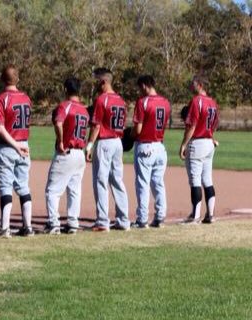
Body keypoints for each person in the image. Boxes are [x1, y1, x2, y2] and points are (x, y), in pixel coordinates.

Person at [0, 66, 34, 238]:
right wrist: (20, 146)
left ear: (2, 79)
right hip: (24, 144)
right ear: (18, 79)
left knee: (5, 186)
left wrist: (15, 145)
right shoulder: (26, 98)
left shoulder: (1, 98)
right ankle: (28, 226)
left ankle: (5, 227)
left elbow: (0, 128)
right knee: (23, 185)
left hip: (8, 146)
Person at [85, 68, 130, 232]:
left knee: (101, 181)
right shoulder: (121, 100)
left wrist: (89, 145)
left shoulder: (101, 99)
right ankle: (123, 219)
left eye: (97, 81)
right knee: (117, 180)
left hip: (104, 142)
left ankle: (103, 221)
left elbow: (96, 125)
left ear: (104, 82)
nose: (96, 84)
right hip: (118, 142)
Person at [44, 77, 90, 235]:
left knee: (52, 191)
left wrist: (60, 140)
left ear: (65, 90)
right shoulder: (84, 110)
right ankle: (72, 223)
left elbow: (58, 122)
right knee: (74, 190)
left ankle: (54, 223)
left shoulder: (65, 106)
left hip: (67, 152)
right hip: (80, 154)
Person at [132, 75, 172, 228]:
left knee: (143, 183)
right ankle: (160, 216)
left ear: (144, 85)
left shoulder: (143, 102)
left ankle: (142, 219)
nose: (139, 91)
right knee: (158, 182)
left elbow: (139, 128)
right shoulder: (166, 102)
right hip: (160, 147)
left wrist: (130, 135)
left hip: (145, 146)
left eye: (139, 87)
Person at [180, 75, 220, 224]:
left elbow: (192, 126)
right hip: (209, 143)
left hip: (197, 143)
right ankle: (210, 215)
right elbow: (214, 124)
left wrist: (184, 144)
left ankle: (195, 216)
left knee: (195, 180)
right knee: (207, 180)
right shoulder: (213, 103)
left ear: (200, 85)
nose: (191, 86)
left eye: (193, 84)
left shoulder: (197, 101)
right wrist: (211, 137)